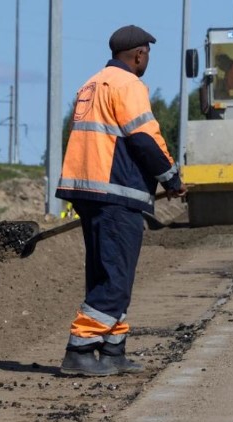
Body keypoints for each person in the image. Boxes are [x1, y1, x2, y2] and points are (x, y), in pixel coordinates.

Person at [55, 24, 186, 376]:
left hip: (88, 190)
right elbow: (144, 138)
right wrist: (170, 176)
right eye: (147, 54)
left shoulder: (92, 83)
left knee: (106, 273)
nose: (147, 60)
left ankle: (113, 350)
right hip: (116, 193)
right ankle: (80, 349)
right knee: (116, 277)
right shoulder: (129, 85)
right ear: (139, 54)